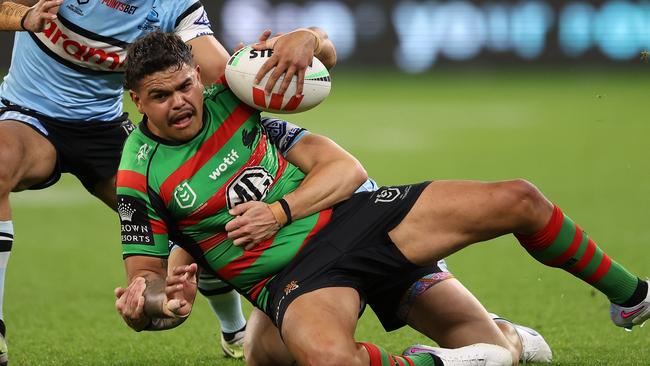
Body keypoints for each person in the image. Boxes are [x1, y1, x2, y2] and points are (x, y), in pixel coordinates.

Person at [120, 31, 650, 366]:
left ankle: (633, 297)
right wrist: (156, 306)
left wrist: (311, 38)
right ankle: (459, 358)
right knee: (328, 358)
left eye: (185, 86)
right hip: (293, 278)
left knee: (519, 199)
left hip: (359, 219)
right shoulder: (138, 175)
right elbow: (145, 279)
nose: (181, 103)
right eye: (161, 97)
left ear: (197, 76)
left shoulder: (231, 93)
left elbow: (320, 67)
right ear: (137, 101)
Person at [0, 0, 332, 360]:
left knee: (195, 216)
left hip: (104, 129)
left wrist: (303, 47)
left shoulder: (171, 4)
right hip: (28, 114)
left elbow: (222, 73)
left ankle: (233, 328)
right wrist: (25, 17)